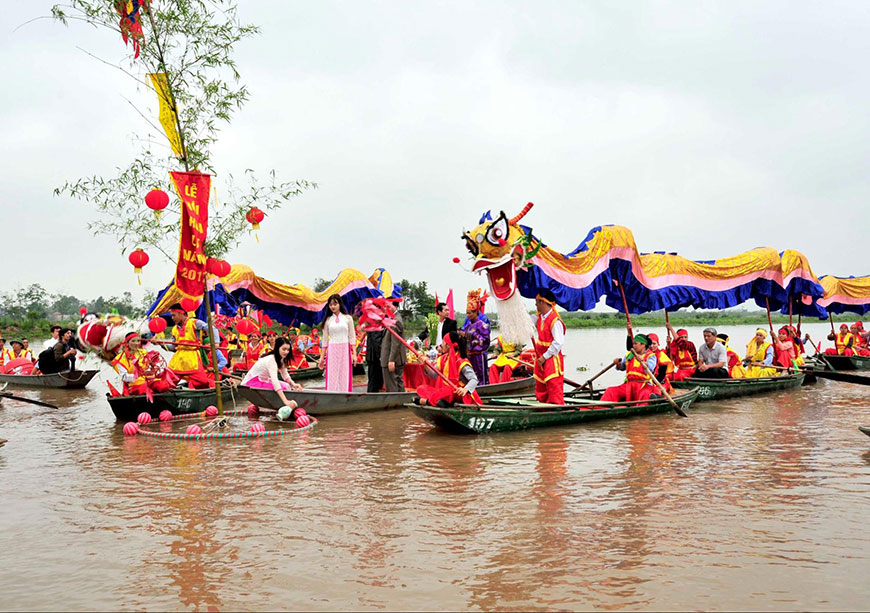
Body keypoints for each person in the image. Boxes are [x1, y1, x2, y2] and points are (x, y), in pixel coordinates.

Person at [415, 331, 482, 407]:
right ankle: (441, 402)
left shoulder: (461, 361)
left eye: (443, 342)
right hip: (449, 393)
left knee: (446, 392)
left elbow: (474, 379)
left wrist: (465, 389)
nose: (441, 345)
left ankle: (426, 401)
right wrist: (425, 364)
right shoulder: (443, 359)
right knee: (422, 389)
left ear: (448, 345)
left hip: (461, 394)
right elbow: (433, 375)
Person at [241, 337, 303, 409]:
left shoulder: (281, 359)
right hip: (251, 382)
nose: (286, 352)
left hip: (262, 380)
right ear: (277, 348)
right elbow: (275, 381)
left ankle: (281, 404)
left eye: (288, 350)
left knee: (287, 386)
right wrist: (286, 401)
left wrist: (293, 384)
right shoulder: (272, 360)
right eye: (284, 349)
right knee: (284, 387)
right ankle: (282, 405)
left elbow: (285, 375)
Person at [165, 303, 212, 389]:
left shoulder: (195, 323)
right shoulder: (174, 329)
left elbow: (212, 329)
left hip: (192, 358)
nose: (172, 318)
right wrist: (161, 344)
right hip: (178, 360)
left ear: (181, 313)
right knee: (168, 384)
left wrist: (215, 342)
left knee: (203, 382)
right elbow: (173, 348)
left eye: (174, 315)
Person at [601, 334, 659, 403]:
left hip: (643, 386)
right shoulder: (629, 355)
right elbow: (622, 367)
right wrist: (617, 364)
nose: (633, 346)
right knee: (610, 390)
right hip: (628, 385)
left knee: (645, 394)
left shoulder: (651, 356)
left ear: (643, 345)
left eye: (635, 344)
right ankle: (601, 406)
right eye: (633, 344)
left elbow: (650, 368)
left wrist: (643, 361)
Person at [532, 290, 566, 404]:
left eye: (537, 301)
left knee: (553, 386)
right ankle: (542, 408)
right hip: (540, 356)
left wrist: (544, 357)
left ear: (542, 302)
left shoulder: (555, 320)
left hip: (551, 357)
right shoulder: (539, 317)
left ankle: (556, 409)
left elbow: (558, 343)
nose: (535, 304)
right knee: (540, 386)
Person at [317, 294, 356, 392]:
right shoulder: (328, 320)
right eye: (330, 305)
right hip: (332, 350)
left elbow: (352, 337)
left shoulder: (348, 318)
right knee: (332, 373)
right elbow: (325, 340)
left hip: (345, 349)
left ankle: (344, 394)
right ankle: (332, 394)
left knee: (344, 373)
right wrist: (322, 358)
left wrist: (354, 354)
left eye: (335, 304)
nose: (333, 306)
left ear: (340, 304)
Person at [461, 289, 491, 386]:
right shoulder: (468, 325)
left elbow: (485, 341)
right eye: (467, 313)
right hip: (469, 355)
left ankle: (484, 390)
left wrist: (474, 336)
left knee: (480, 377)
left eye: (470, 313)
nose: (468, 315)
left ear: (476, 312)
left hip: (479, 356)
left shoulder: (483, 325)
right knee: (471, 377)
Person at [378, 301, 406, 392]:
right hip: (393, 357)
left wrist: (391, 360)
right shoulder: (391, 319)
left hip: (393, 358)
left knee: (392, 385)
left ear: (396, 307)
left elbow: (396, 342)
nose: (386, 309)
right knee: (397, 382)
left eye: (389, 307)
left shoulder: (395, 320)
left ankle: (396, 403)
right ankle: (400, 402)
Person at [365, 327, 385, 393]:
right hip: (375, 356)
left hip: (372, 355)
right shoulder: (376, 322)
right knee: (375, 381)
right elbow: (377, 340)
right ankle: (372, 399)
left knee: (372, 380)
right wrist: (381, 355)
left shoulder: (372, 321)